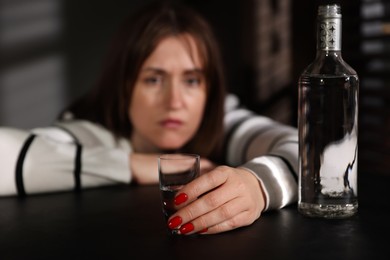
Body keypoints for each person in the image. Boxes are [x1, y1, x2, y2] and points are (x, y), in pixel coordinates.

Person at [0, 1, 298, 235]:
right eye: (154, 80)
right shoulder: (92, 134)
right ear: (124, 85)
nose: (175, 102)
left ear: (210, 89)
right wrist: (129, 163)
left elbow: (317, 150)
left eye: (192, 81)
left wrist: (258, 185)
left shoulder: (223, 119)